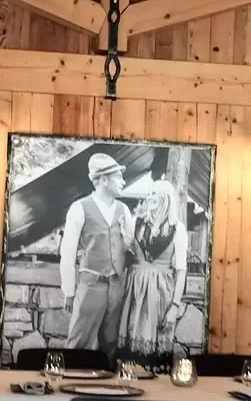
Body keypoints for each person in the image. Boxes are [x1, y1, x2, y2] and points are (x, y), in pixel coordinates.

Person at [59, 153, 135, 359]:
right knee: (78, 341)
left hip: (116, 286)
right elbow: (67, 252)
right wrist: (69, 290)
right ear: (103, 180)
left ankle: (106, 387)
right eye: (118, 177)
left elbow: (129, 246)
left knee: (109, 345)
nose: (123, 182)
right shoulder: (80, 208)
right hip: (91, 284)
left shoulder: (124, 210)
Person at [118, 179, 188, 361]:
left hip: (160, 293)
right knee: (130, 343)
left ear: (166, 198)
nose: (150, 198)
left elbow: (181, 271)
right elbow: (121, 249)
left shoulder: (177, 229)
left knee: (156, 349)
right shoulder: (136, 224)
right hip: (135, 292)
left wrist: (174, 306)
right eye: (149, 194)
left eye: (155, 193)